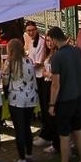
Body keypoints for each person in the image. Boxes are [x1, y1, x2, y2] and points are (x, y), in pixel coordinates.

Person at [44, 26, 81, 162]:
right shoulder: (77, 51)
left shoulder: (58, 57)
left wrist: (51, 104)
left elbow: (56, 84)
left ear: (55, 39)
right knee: (78, 130)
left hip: (65, 100)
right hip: (79, 96)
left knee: (64, 135)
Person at [3, 36, 39, 162]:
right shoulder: (29, 60)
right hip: (30, 98)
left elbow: (5, 80)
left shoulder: (10, 62)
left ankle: (22, 158)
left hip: (17, 99)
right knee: (27, 127)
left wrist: (6, 90)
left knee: (19, 129)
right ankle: (29, 154)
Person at [25, 21, 54, 149]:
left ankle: (48, 135)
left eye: (32, 30)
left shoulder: (42, 42)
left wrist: (27, 67)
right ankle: (45, 133)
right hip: (36, 77)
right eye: (28, 30)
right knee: (42, 106)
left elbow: (39, 62)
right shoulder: (31, 42)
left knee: (45, 105)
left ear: (36, 29)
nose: (30, 32)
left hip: (43, 78)